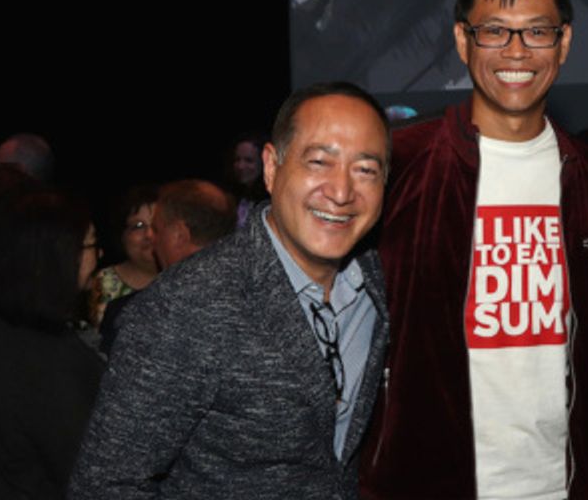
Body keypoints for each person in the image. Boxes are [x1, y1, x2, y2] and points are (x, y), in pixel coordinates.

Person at [70, 82, 391, 499]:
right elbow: (105, 485)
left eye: (366, 169)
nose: (342, 191)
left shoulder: (379, 283)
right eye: (319, 162)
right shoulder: (186, 306)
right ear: (272, 168)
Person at [358, 0, 588, 499]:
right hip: (429, 480)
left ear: (564, 43)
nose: (516, 52)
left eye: (537, 32)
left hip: (558, 483)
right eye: (495, 32)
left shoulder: (586, 173)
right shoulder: (402, 164)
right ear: (463, 42)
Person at [0, 189, 104, 498]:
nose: (100, 254)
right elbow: (89, 470)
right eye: (92, 244)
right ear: (60, 256)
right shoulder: (47, 360)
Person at [97, 180, 235, 355]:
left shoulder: (135, 316)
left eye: (156, 229)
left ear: (179, 235)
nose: (151, 238)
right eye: (138, 227)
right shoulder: (258, 301)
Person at [88, 185, 159, 327]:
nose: (149, 235)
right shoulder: (104, 281)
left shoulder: (184, 277)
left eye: (156, 224)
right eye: (138, 226)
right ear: (122, 236)